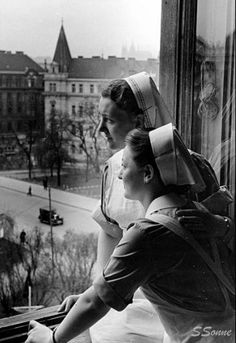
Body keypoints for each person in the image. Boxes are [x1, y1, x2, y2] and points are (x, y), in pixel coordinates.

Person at [58, 72, 233, 343]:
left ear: (139, 121)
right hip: (129, 292)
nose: (100, 130)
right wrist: (94, 291)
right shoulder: (114, 170)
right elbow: (111, 231)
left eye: (109, 121)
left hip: (180, 304)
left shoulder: (192, 167)